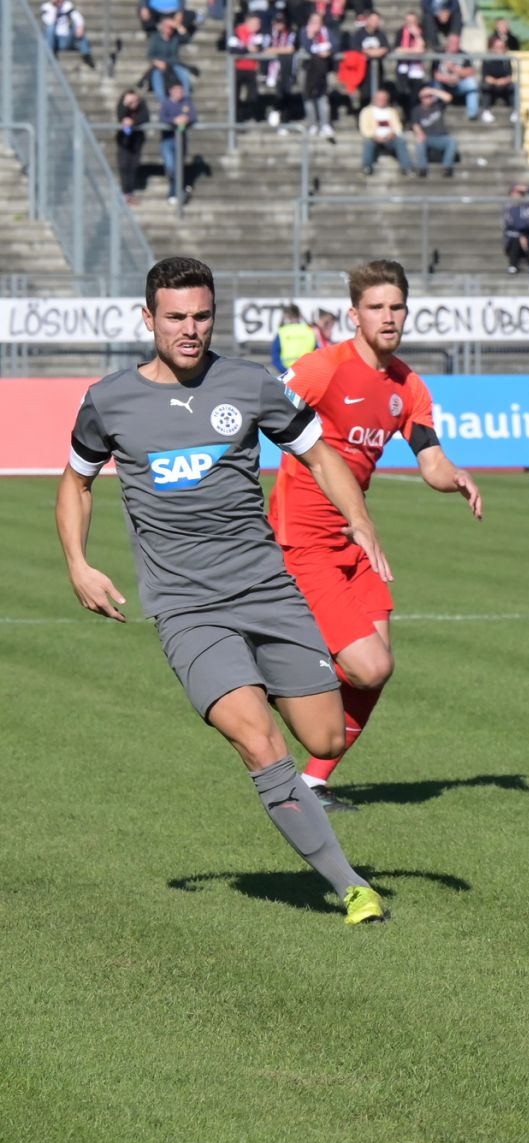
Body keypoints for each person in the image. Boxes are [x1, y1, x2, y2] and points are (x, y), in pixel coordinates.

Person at [56, 256, 394, 926]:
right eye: (176, 317)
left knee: (323, 740)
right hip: (188, 609)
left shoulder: (249, 385)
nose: (190, 329)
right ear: (147, 319)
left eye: (202, 316)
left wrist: (359, 519)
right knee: (259, 741)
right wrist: (78, 563)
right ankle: (351, 886)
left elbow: (319, 452)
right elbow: (77, 482)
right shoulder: (108, 401)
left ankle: (258, 678)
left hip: (268, 593)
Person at [274, 259, 483, 809]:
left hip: (355, 540)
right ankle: (272, 667)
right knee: (368, 664)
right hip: (304, 538)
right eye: (376, 308)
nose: (388, 317)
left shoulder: (407, 386)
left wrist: (454, 476)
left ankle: (312, 783)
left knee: (377, 669)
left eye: (396, 307)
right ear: (354, 314)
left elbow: (429, 459)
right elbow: (259, 414)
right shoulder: (323, 369)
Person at [359, 90, 417, 177]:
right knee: (368, 143)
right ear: (374, 99)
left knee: (400, 141)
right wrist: (375, 136)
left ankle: (407, 168)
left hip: (390, 138)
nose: (381, 101)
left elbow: (398, 127)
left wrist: (393, 133)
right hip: (374, 137)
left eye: (384, 99)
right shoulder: (366, 111)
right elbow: (364, 128)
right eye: (379, 99)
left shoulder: (391, 111)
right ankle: (367, 167)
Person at [299, 11, 337, 137]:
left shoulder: (327, 32)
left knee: (322, 97)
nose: (316, 25)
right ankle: (313, 124)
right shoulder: (304, 32)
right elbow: (306, 47)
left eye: (318, 22)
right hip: (308, 70)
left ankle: (325, 124)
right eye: (313, 22)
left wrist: (328, 51)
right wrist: (311, 37)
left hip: (322, 70)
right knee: (309, 97)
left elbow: (335, 45)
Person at [411, 84, 459, 177]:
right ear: (421, 99)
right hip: (427, 137)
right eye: (425, 97)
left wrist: (432, 91)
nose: (428, 99)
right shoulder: (416, 110)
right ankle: (422, 168)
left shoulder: (437, 106)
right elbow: (415, 124)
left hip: (441, 136)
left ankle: (447, 167)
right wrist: (419, 133)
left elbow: (448, 98)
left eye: (429, 97)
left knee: (452, 141)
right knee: (420, 142)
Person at [158, 82, 195, 206]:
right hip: (168, 140)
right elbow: (162, 118)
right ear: (171, 91)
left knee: (178, 167)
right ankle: (178, 191)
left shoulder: (187, 102)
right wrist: (173, 121)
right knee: (171, 167)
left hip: (181, 140)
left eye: (181, 91)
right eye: (177, 91)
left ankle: (174, 193)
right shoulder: (166, 103)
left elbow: (194, 116)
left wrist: (187, 119)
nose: (180, 93)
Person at [115, 88, 149, 205]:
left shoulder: (141, 104)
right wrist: (126, 105)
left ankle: (129, 191)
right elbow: (120, 116)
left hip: (137, 140)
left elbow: (145, 118)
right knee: (123, 164)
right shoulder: (123, 104)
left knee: (133, 165)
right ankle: (125, 191)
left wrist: (133, 121)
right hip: (124, 140)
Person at [147, 13, 193, 99]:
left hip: (174, 63)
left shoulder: (175, 38)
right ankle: (162, 101)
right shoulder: (155, 38)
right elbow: (150, 55)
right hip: (160, 64)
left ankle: (186, 98)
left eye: (171, 28)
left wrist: (178, 26)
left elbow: (187, 39)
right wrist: (157, 62)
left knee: (184, 73)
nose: (169, 29)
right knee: (156, 75)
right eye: (167, 27)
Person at [42, 0, 95, 67]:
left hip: (66, 38)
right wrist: (55, 8)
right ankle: (50, 55)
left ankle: (86, 54)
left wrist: (80, 27)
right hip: (55, 41)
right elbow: (50, 22)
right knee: (50, 29)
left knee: (78, 27)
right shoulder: (46, 7)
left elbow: (79, 19)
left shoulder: (67, 5)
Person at [503, 183, 529, 274]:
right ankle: (513, 265)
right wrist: (520, 236)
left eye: (519, 193)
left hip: (528, 237)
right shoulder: (507, 209)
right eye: (515, 193)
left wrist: (527, 189)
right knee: (515, 240)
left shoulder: (528, 206)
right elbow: (509, 227)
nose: (517, 195)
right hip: (513, 239)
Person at [272, 304, 319, 374]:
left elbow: (275, 357)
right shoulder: (310, 331)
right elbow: (317, 354)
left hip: (287, 373)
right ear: (299, 316)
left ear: (287, 316)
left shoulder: (282, 332)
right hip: (306, 373)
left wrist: (285, 372)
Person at [480, 33, 515, 123]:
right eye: (498, 47)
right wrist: (497, 82)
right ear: (492, 48)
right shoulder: (487, 60)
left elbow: (509, 76)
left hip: (504, 86)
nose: (500, 50)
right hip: (492, 85)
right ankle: (486, 111)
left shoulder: (506, 61)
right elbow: (486, 77)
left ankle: (515, 112)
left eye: (502, 47)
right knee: (485, 86)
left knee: (513, 87)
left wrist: (503, 81)